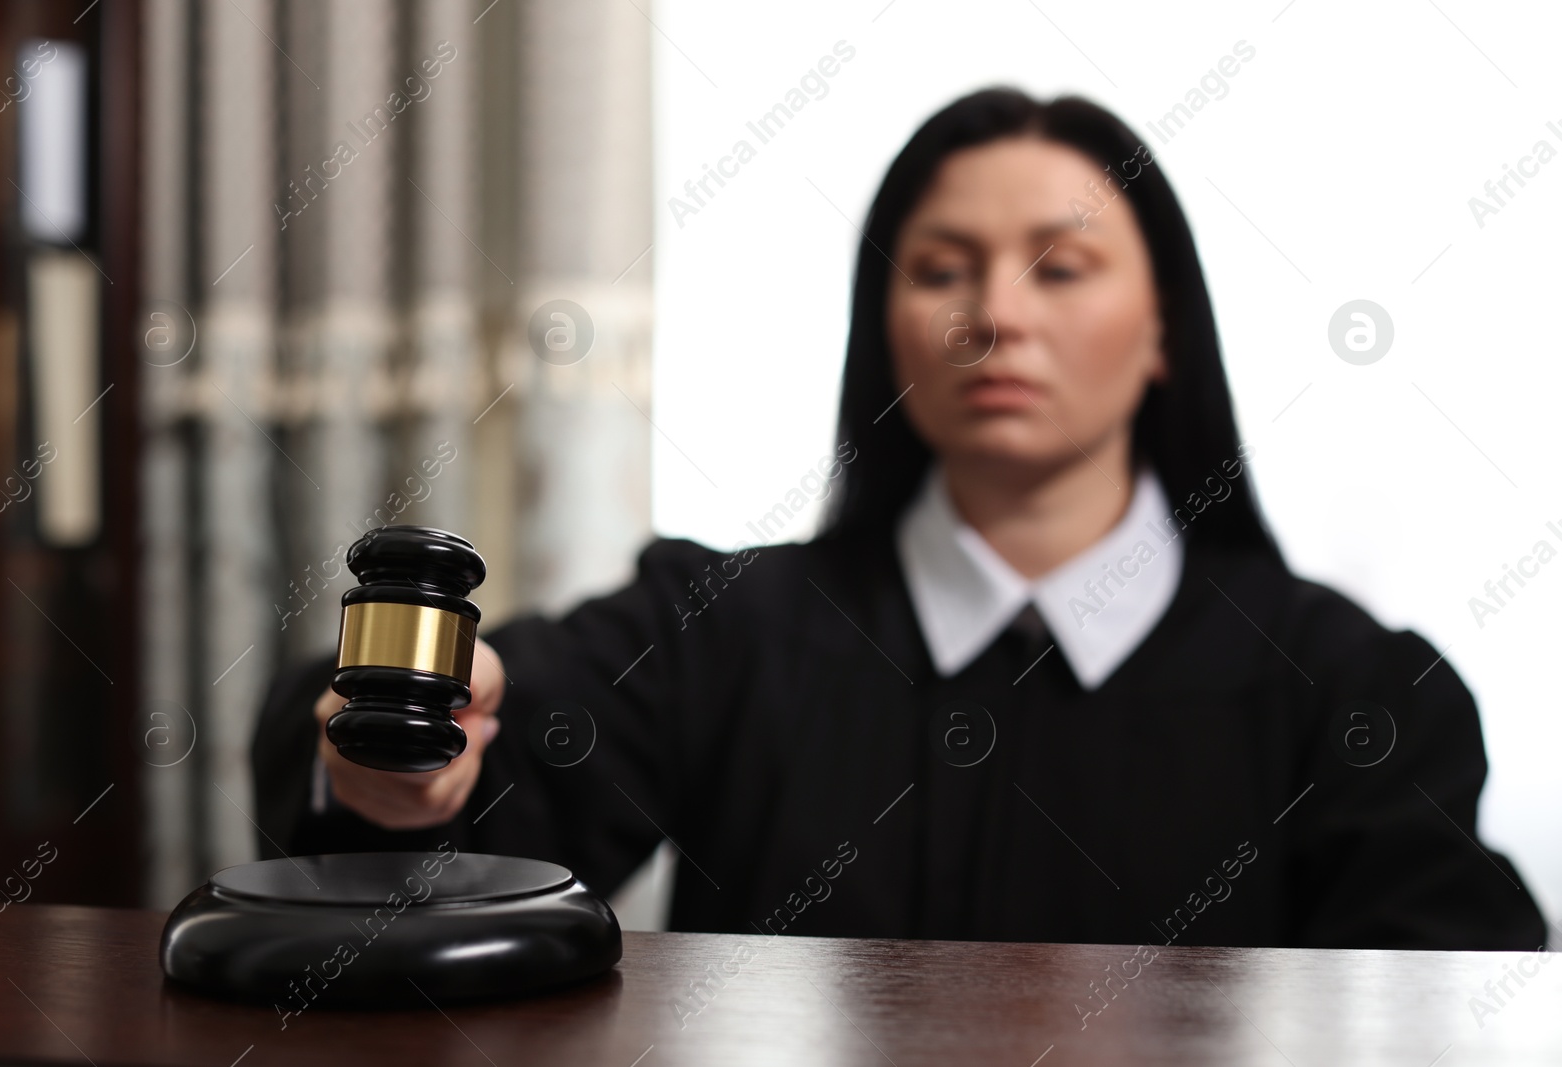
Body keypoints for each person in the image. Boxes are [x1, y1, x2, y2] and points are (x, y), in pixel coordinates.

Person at [254, 87, 1548, 951]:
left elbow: (1457, 990)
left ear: (1164, 332)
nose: (996, 313)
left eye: (1064, 263)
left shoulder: (1346, 689)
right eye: (941, 269)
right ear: (888, 331)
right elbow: (467, 770)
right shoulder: (722, 630)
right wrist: (407, 749)